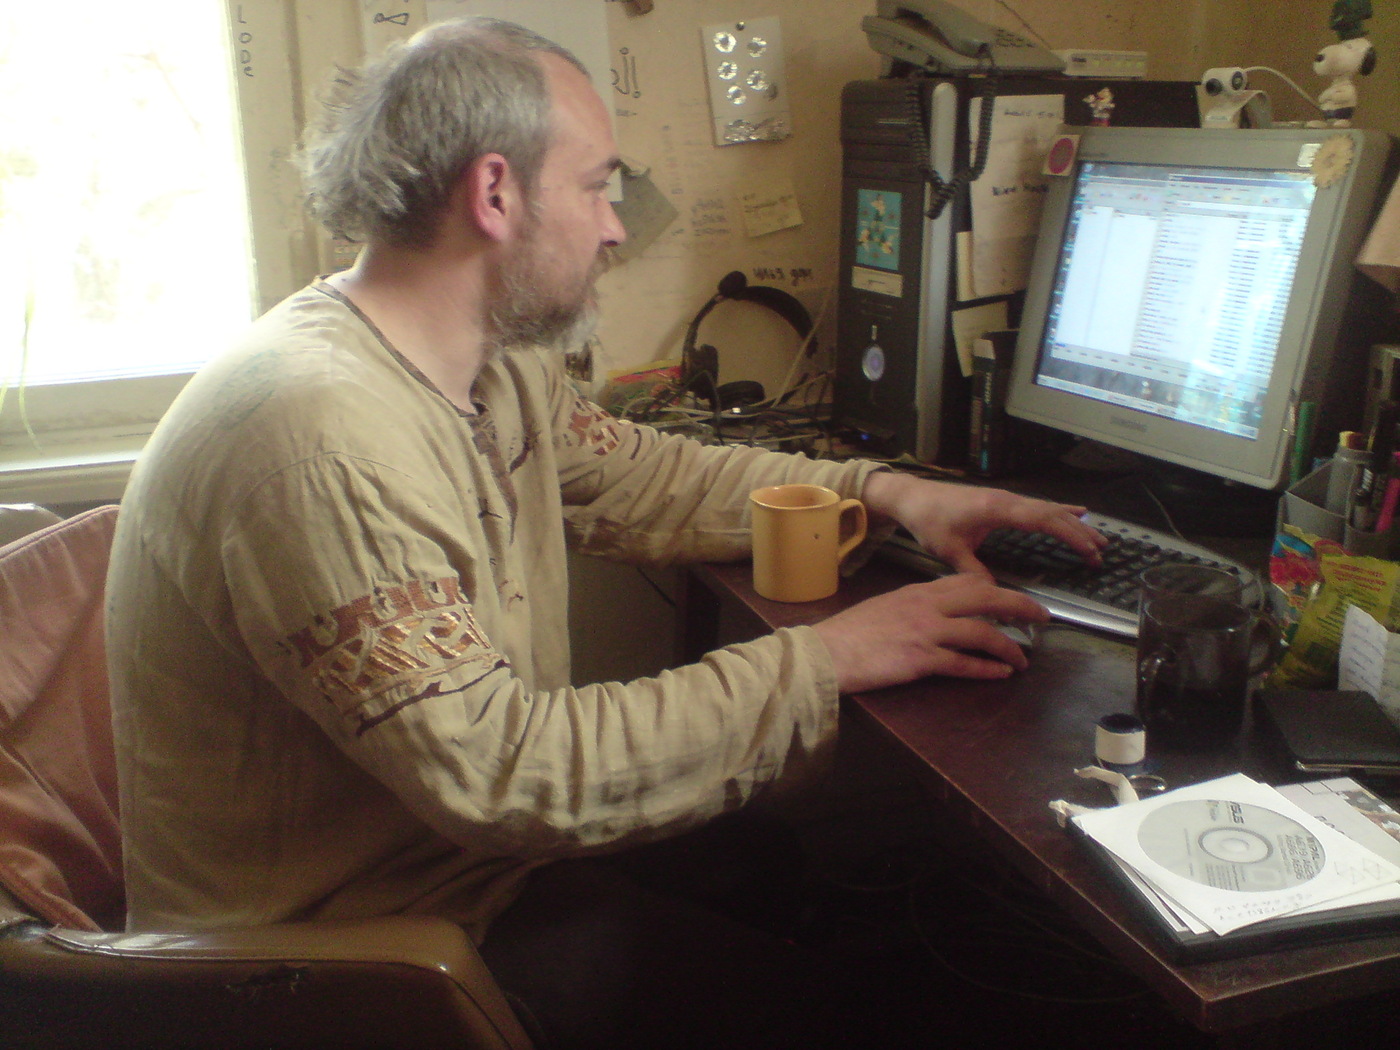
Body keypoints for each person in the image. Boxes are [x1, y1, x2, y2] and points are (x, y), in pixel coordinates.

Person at [105, 17, 1105, 1048]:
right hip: (336, 962)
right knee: (853, 1013)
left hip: (456, 871)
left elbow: (644, 475)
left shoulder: (490, 362)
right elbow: (507, 775)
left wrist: (885, 492)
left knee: (777, 870)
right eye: (595, 187)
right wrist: (830, 659)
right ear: (495, 194)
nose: (617, 227)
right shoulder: (322, 441)